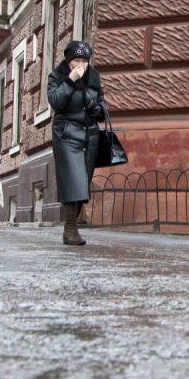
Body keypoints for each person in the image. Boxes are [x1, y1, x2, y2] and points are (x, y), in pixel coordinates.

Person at [47, 40, 107, 245]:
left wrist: (96, 108)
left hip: (89, 134)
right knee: (73, 180)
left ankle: (71, 227)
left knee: (83, 181)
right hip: (66, 133)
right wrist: (71, 80)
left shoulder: (94, 77)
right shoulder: (57, 76)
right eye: (76, 60)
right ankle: (70, 227)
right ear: (68, 61)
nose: (81, 64)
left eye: (84, 60)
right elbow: (55, 101)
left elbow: (101, 105)